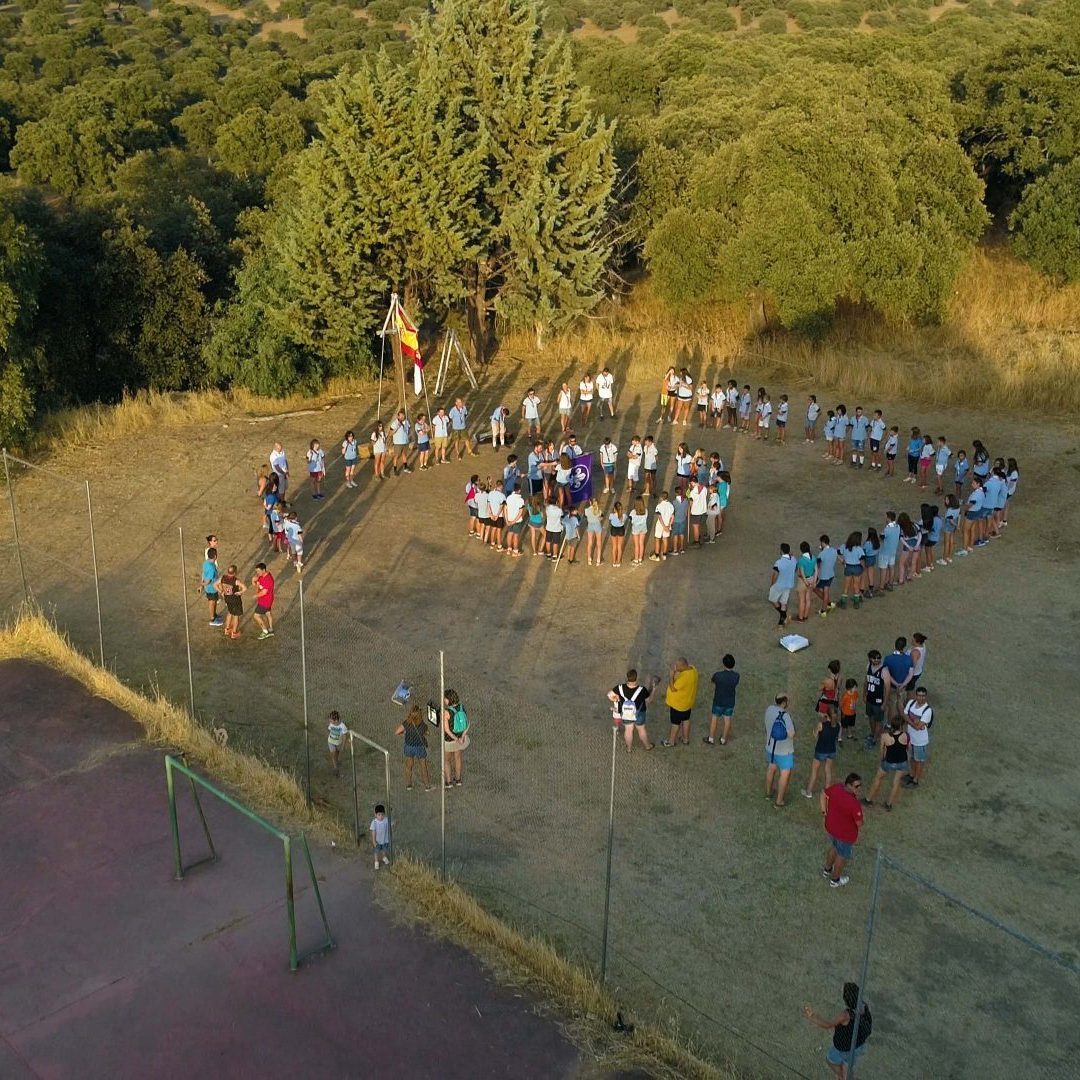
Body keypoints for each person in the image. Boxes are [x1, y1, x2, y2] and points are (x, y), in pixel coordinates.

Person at [803, 982, 873, 1077]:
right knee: (847, 1066)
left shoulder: (846, 1015)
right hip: (858, 1046)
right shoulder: (864, 1006)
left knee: (830, 1060)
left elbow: (828, 1025)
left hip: (844, 1048)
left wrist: (812, 1016)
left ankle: (845, 1077)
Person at [820, 773, 864, 887]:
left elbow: (823, 793)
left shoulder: (837, 788)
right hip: (845, 835)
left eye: (860, 785)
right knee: (842, 855)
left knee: (834, 847)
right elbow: (859, 823)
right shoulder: (854, 804)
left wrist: (824, 812)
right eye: (856, 786)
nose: (859, 789)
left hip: (831, 828)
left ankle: (827, 870)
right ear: (848, 785)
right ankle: (835, 880)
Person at [862, 716, 910, 810]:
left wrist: (882, 760)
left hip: (889, 762)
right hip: (902, 762)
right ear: (901, 726)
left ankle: (868, 800)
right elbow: (908, 748)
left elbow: (882, 751)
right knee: (896, 782)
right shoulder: (906, 735)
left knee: (878, 778)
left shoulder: (885, 736)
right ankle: (889, 804)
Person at [608, 670, 659, 753]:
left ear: (627, 678)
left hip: (625, 713)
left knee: (628, 730)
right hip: (639, 713)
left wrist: (616, 699)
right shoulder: (642, 690)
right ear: (636, 678)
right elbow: (649, 700)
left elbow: (609, 695)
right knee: (641, 730)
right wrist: (654, 689)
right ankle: (648, 746)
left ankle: (629, 749)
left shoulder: (620, 687)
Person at [764, 695, 795, 808]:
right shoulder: (786, 716)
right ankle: (779, 801)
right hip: (784, 751)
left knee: (771, 768)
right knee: (784, 774)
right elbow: (792, 734)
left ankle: (768, 793)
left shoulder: (769, 709)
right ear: (785, 702)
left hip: (770, 747)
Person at [802, 708, 839, 800]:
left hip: (820, 751)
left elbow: (815, 734)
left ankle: (809, 792)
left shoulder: (821, 724)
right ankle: (827, 792)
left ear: (827, 715)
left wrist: (822, 720)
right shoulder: (838, 725)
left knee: (814, 772)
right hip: (831, 751)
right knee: (828, 771)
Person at [395, 704, 433, 790]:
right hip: (419, 747)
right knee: (423, 766)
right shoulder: (423, 725)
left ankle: (409, 785)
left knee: (409, 766)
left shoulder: (406, 723)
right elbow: (427, 733)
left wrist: (403, 733)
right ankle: (427, 786)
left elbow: (397, 732)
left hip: (409, 746)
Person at [662, 657, 698, 747]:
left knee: (675, 724)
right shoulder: (693, 669)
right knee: (686, 720)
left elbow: (673, 688)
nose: (676, 668)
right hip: (688, 703)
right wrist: (677, 672)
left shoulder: (684, 678)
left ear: (683, 666)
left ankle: (671, 742)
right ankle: (685, 739)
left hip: (678, 705)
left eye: (677, 667)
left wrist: (671, 675)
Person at [903, 686, 933, 788]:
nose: (921, 698)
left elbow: (918, 727)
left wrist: (910, 721)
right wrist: (914, 722)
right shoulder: (911, 702)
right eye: (919, 695)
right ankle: (912, 774)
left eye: (923, 696)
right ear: (916, 695)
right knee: (912, 758)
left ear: (926, 696)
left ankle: (916, 780)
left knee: (919, 760)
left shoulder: (927, 711)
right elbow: (904, 715)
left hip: (920, 741)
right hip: (911, 738)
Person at [705, 654, 739, 746]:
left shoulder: (718, 675)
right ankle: (723, 739)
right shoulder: (736, 676)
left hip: (718, 700)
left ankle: (711, 738)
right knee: (727, 719)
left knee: (714, 718)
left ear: (724, 664)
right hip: (730, 701)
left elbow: (713, 680)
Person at [441, 689, 469, 787]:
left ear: (449, 700)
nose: (444, 700)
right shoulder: (462, 707)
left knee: (447, 760)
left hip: (450, 740)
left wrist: (456, 739)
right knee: (458, 758)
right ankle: (458, 780)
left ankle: (448, 782)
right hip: (461, 739)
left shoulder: (447, 712)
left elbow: (447, 730)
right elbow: (467, 724)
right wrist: (462, 737)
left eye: (445, 698)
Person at [882, 637, 913, 722]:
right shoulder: (909, 659)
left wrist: (896, 684)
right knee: (901, 705)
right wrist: (902, 684)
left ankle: (890, 724)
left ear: (894, 645)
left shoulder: (888, 659)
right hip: (902, 688)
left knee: (892, 706)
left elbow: (886, 674)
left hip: (892, 687)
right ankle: (901, 723)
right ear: (904, 646)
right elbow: (910, 674)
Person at [769, 542, 797, 627]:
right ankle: (782, 622)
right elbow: (795, 568)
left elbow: (775, 575)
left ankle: (783, 615)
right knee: (783, 603)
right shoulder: (794, 559)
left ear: (781, 551)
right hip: (789, 584)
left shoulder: (779, 562)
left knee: (773, 599)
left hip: (779, 585)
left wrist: (772, 584)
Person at [863, 649, 886, 749]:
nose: (877, 660)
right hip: (870, 698)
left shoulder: (884, 670)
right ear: (870, 659)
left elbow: (887, 687)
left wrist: (884, 702)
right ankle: (873, 734)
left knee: (878, 720)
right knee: (870, 717)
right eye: (875, 658)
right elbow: (866, 681)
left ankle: (875, 739)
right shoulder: (868, 666)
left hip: (878, 700)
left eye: (879, 657)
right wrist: (864, 694)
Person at [837, 532, 865, 609]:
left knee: (846, 585)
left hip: (848, 568)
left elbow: (837, 553)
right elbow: (862, 559)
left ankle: (843, 602)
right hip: (857, 568)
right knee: (856, 585)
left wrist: (842, 560)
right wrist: (863, 568)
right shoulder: (859, 549)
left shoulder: (844, 546)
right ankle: (856, 602)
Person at [219, 563, 245, 639]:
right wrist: (240, 592)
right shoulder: (235, 580)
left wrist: (221, 592)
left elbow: (215, 584)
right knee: (236, 615)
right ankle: (234, 633)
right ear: (235, 572)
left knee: (230, 612)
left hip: (227, 598)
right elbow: (245, 588)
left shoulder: (223, 578)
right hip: (235, 599)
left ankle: (227, 629)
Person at [201, 546, 223, 627]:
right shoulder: (211, 567)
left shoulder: (206, 562)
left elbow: (203, 573)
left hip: (212, 588)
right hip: (211, 588)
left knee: (214, 602)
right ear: (215, 556)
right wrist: (202, 584)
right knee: (212, 603)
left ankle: (214, 614)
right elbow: (208, 580)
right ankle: (212, 619)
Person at [815, 535, 837, 616]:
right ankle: (829, 603)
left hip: (824, 576)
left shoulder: (822, 554)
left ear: (823, 542)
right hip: (831, 574)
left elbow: (818, 565)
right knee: (825, 590)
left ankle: (823, 610)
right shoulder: (834, 550)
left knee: (817, 589)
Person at [251, 563, 275, 639]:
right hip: (267, 600)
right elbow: (258, 585)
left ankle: (265, 631)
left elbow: (264, 592)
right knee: (268, 613)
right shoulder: (262, 575)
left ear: (264, 570)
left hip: (265, 601)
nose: (257, 573)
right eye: (256, 571)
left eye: (258, 571)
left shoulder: (268, 579)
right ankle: (271, 629)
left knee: (256, 616)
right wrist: (253, 581)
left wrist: (256, 596)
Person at [795, 541, 816, 622]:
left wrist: (805, 582)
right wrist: (814, 581)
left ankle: (800, 618)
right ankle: (805, 616)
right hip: (811, 578)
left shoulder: (801, 560)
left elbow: (802, 573)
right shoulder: (813, 558)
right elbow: (816, 570)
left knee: (802, 600)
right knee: (808, 599)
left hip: (803, 581)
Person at [650, 491, 674, 562]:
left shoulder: (659, 506)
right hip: (667, 524)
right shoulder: (671, 505)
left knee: (657, 539)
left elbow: (659, 517)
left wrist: (663, 526)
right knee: (665, 539)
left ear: (661, 497)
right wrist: (669, 525)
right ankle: (664, 555)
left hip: (660, 525)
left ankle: (657, 556)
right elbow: (672, 516)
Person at [503, 482, 526, 557]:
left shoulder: (509, 498)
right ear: (519, 490)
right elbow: (520, 512)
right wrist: (514, 521)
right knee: (516, 536)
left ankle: (509, 549)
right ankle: (515, 551)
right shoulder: (521, 500)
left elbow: (505, 509)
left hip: (509, 519)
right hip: (517, 521)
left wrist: (506, 520)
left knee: (509, 533)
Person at [389, 410, 412, 475]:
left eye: (403, 415)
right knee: (396, 456)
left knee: (404, 455)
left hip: (405, 442)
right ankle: (395, 469)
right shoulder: (394, 423)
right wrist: (396, 428)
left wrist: (408, 437)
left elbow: (409, 429)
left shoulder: (406, 422)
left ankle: (405, 467)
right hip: (398, 443)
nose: (402, 417)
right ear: (398, 416)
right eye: (400, 415)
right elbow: (390, 434)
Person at [838, 678, 858, 747]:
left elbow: (855, 701)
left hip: (852, 713)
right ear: (849, 688)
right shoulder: (845, 696)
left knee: (850, 725)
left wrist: (855, 710)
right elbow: (840, 705)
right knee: (843, 727)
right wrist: (842, 713)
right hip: (845, 714)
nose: (856, 689)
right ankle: (839, 737)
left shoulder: (855, 693)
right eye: (854, 687)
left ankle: (849, 735)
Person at [370, 804, 391, 870]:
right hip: (377, 841)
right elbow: (373, 832)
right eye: (379, 815)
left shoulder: (386, 820)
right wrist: (374, 841)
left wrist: (394, 823)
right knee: (376, 851)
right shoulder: (374, 822)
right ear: (375, 815)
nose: (381, 816)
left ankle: (384, 857)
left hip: (384, 840)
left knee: (384, 849)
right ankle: (376, 861)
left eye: (382, 814)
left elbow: (391, 823)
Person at [543, 495, 564, 560]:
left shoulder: (547, 508)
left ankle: (549, 554)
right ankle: (554, 556)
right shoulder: (559, 510)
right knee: (555, 542)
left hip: (549, 527)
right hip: (557, 528)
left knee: (548, 541)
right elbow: (562, 515)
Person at [328, 710, 348, 776]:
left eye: (331, 719)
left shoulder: (342, 726)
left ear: (336, 720)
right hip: (331, 742)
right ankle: (335, 768)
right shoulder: (331, 724)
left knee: (337, 753)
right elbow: (330, 730)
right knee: (333, 754)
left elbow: (345, 735)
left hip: (338, 743)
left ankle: (337, 761)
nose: (329, 721)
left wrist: (343, 745)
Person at [629, 496, 648, 565]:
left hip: (636, 528)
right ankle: (640, 558)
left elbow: (630, 518)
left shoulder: (633, 512)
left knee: (636, 545)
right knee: (641, 543)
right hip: (643, 528)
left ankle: (636, 559)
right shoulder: (646, 510)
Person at [585, 497, 604, 566]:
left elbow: (586, 516)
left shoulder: (586, 510)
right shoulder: (599, 510)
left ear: (590, 503)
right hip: (597, 526)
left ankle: (589, 559)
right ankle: (598, 560)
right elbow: (601, 517)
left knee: (590, 543)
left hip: (590, 526)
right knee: (599, 543)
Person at [608, 501, 626, 568]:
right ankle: (618, 561)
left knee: (614, 546)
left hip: (614, 530)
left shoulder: (611, 515)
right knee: (619, 546)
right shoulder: (624, 515)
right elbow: (624, 520)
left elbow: (610, 519)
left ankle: (614, 561)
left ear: (614, 509)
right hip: (621, 530)